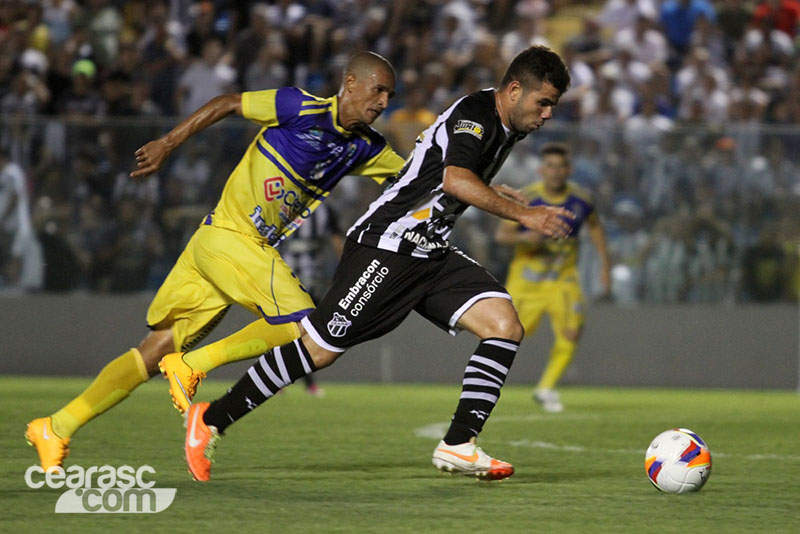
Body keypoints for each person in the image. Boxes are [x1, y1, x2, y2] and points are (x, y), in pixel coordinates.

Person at [182, 45, 574, 483]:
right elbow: (454, 178)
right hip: (386, 245)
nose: (547, 115)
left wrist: (493, 188)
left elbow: (442, 169)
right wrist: (524, 213)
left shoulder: (504, 124)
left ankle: (459, 443)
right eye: (544, 103)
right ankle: (210, 419)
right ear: (515, 90)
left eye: (552, 106)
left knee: (504, 325)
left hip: (428, 250)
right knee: (319, 350)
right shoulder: (478, 113)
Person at [25, 51, 405, 470]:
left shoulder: (366, 147)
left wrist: (478, 186)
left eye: (389, 94)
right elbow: (227, 103)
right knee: (305, 326)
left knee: (154, 350)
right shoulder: (298, 106)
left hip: (219, 245)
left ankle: (57, 425)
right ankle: (194, 365)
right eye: (379, 90)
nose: (384, 102)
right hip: (232, 237)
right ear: (350, 83)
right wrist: (167, 143)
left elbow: (416, 178)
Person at [495, 143, 610, 413]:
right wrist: (525, 236)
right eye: (550, 166)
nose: (555, 172)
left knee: (572, 331)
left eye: (561, 167)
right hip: (527, 282)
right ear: (541, 169)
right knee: (507, 334)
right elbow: (502, 235)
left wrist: (605, 264)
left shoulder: (581, 200)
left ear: (568, 170)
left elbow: (595, 227)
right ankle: (488, 384)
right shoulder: (526, 198)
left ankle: (546, 388)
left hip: (563, 280)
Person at [281, 202, 346, 397]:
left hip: (309, 273)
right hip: (289, 270)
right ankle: (288, 380)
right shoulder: (288, 203)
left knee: (304, 328)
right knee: (290, 328)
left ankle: (297, 380)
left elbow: (336, 241)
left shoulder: (324, 209)